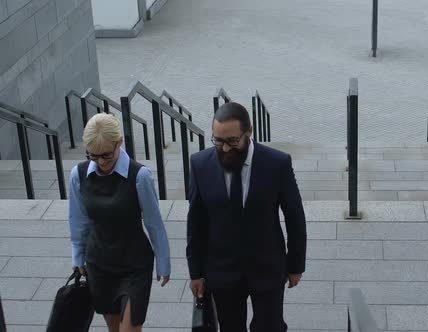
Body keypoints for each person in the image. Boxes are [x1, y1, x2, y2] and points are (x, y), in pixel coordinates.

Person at [186, 102, 307, 331]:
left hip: (267, 268)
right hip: (222, 271)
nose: (225, 149)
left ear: (248, 132)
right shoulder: (200, 164)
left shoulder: (277, 164)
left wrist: (295, 265)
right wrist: (196, 272)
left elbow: (295, 215)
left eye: (232, 141)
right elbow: (196, 222)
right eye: (218, 141)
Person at [68, 113, 171, 332]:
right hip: (100, 264)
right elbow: (79, 221)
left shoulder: (139, 176)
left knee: (130, 329)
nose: (101, 162)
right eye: (93, 156)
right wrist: (78, 257)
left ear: (119, 143)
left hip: (135, 265)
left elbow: (154, 222)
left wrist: (163, 262)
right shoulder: (78, 174)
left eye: (107, 155)